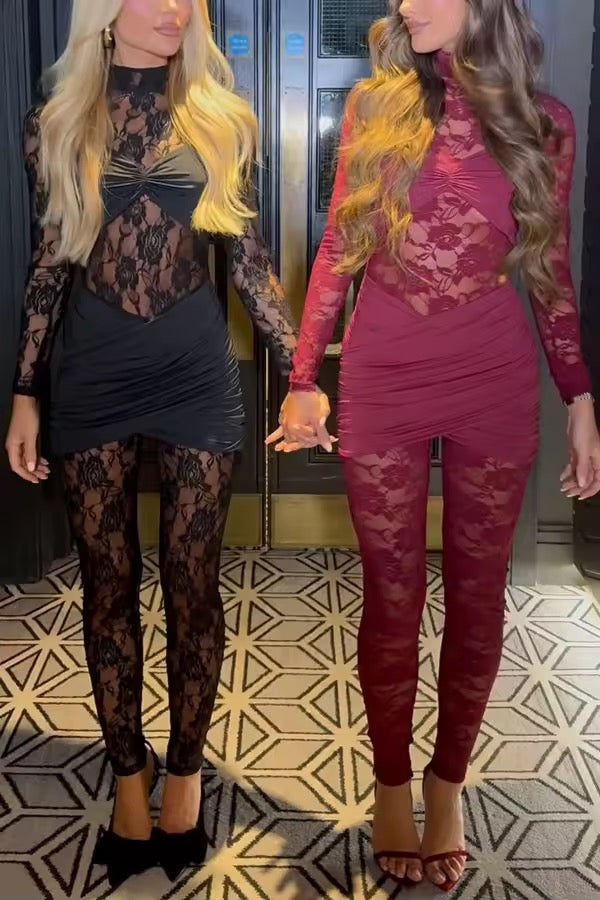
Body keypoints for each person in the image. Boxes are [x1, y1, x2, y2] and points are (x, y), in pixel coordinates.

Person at [269, 0, 600, 892]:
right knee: (392, 595)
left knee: (479, 598)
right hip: (383, 373)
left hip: (494, 377)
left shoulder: (544, 123)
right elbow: (339, 247)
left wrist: (579, 396)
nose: (405, 5)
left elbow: (550, 270)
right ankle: (390, 784)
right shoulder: (377, 107)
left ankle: (446, 785)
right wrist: (303, 378)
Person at [5, 0, 297, 889]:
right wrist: (25, 392)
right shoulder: (57, 123)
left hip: (194, 374)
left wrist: (303, 372)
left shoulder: (219, 116)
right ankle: (128, 780)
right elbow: (51, 265)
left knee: (192, 585)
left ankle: (185, 778)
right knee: (107, 588)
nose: (175, 8)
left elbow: (248, 262)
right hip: (91, 375)